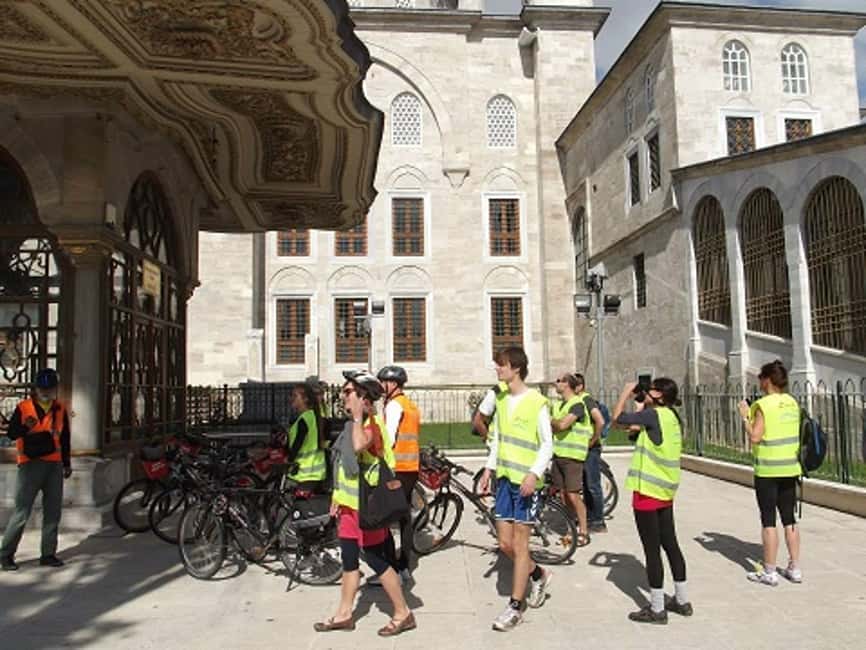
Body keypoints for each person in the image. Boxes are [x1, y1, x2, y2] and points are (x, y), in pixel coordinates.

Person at [314, 370, 415, 637]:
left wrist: (359, 416)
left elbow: (359, 446)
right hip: (350, 507)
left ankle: (403, 613)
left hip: (368, 509)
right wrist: (337, 496)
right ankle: (344, 615)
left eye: (349, 392)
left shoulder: (372, 427)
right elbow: (344, 466)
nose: (343, 396)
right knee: (349, 560)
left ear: (364, 398)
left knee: (376, 559)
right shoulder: (353, 426)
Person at [477, 347, 553, 631]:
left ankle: (515, 607)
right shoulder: (502, 399)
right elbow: (498, 439)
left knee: (520, 545)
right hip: (505, 480)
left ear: (516, 368)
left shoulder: (537, 402)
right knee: (504, 544)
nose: (497, 369)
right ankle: (538, 573)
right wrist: (489, 468)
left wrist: (534, 474)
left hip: (527, 484)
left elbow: (547, 444)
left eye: (502, 365)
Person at [612, 377, 692, 624]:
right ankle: (682, 601)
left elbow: (617, 419)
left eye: (651, 389)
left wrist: (626, 393)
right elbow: (635, 433)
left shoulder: (652, 415)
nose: (646, 391)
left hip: (648, 492)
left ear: (658, 395)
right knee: (671, 545)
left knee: (652, 550)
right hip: (665, 491)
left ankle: (657, 608)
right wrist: (640, 411)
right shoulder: (671, 416)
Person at [738, 359, 802, 587]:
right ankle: (794, 567)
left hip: (768, 469)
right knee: (789, 519)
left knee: (768, 520)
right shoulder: (792, 402)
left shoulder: (763, 405)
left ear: (767, 380)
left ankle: (770, 571)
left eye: (760, 378)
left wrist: (745, 416)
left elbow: (755, 436)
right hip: (790, 467)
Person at [1, 368, 72, 571]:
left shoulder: (60, 409)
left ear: (55, 389)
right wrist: (26, 426)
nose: (45, 392)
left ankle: (48, 554)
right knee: (22, 512)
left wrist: (67, 463)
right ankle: (5, 555)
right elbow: (12, 433)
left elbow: (65, 438)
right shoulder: (24, 408)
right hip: (30, 464)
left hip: (54, 464)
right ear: (36, 388)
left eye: (49, 388)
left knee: (53, 511)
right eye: (42, 388)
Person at [376, 365, 420, 584]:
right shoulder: (408, 404)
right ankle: (403, 566)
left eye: (383, 382)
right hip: (410, 468)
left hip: (397, 468)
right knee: (404, 518)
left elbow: (389, 438)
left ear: (392, 384)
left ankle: (393, 569)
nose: (381, 387)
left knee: (386, 516)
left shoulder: (394, 405)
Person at [550, 372, 598, 546]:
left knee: (573, 495)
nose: (555, 383)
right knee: (563, 496)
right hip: (559, 454)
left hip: (573, 457)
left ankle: (584, 532)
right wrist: (554, 422)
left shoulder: (577, 404)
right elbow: (556, 426)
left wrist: (551, 421)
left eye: (558, 380)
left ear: (567, 384)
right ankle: (571, 529)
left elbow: (563, 425)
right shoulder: (558, 405)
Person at [286, 382, 327, 491]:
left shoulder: (304, 419)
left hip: (304, 472)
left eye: (295, 396)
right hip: (315, 471)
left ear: (305, 399)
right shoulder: (312, 416)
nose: (291, 398)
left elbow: (298, 443)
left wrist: (289, 460)